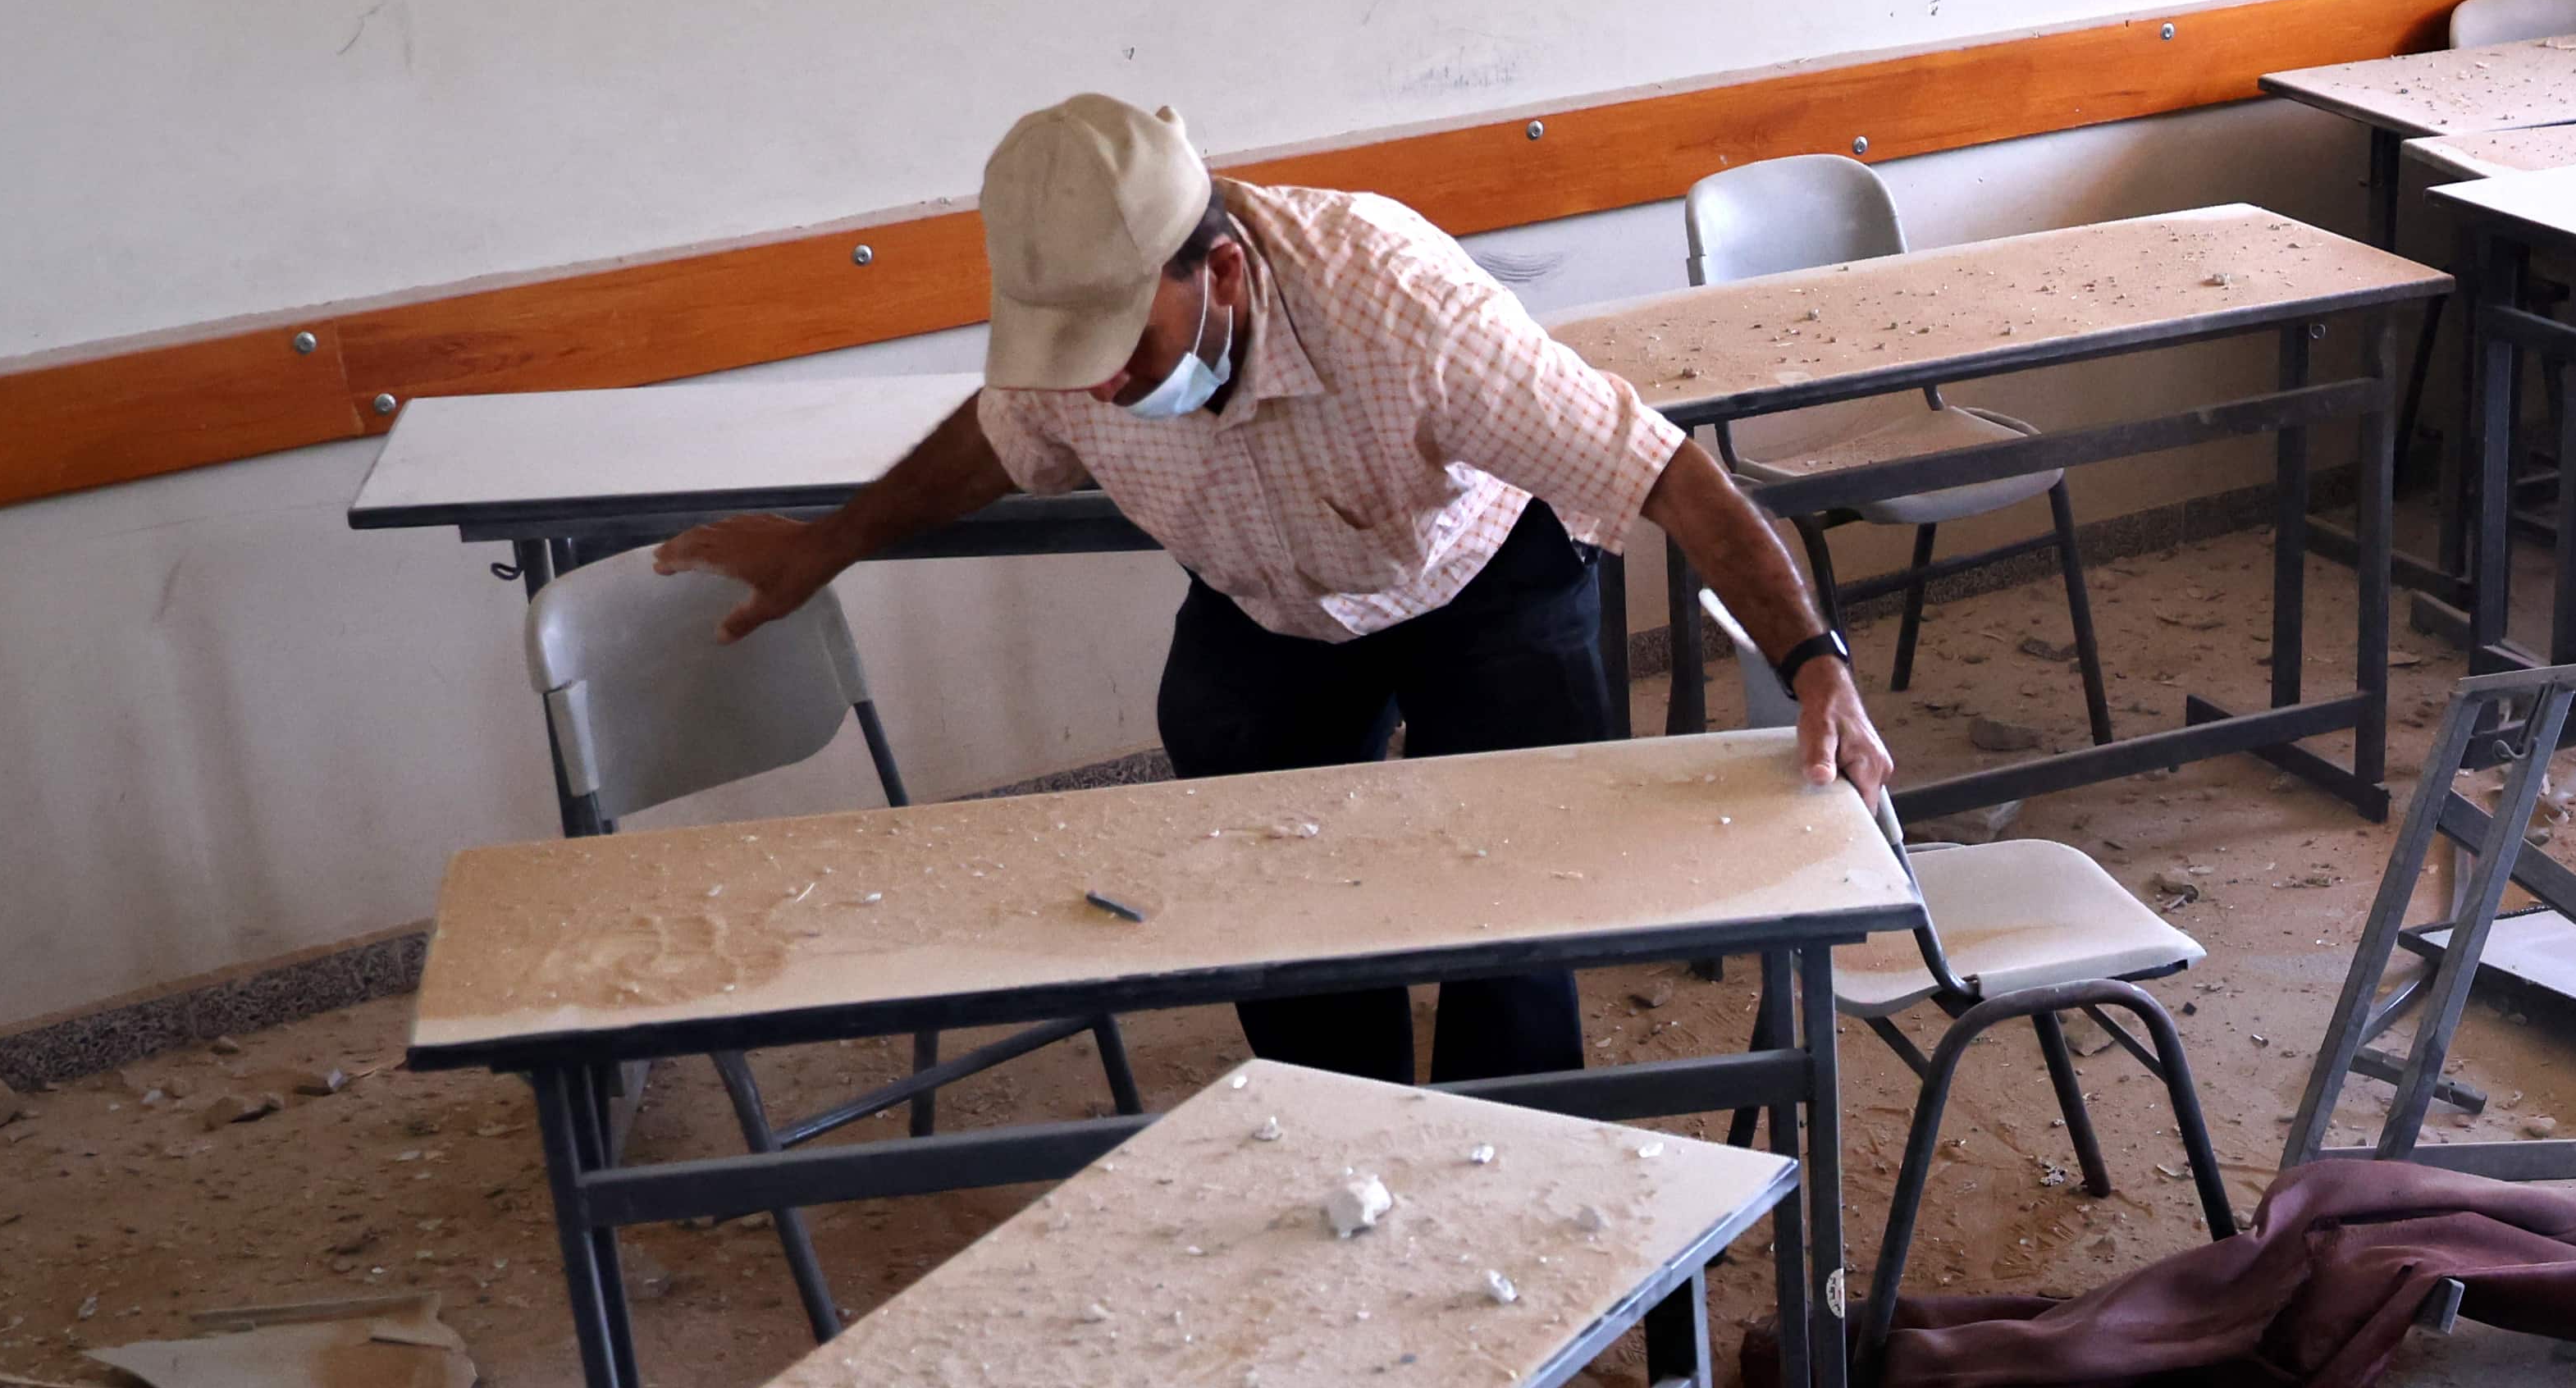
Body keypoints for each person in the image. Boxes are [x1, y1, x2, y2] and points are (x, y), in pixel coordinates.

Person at [658, 94, 1895, 1091]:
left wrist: (1815, 660)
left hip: (1481, 571)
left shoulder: (1404, 309)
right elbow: (995, 444)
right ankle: (1338, 1126)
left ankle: (1513, 1145)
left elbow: (1667, 475)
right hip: (1272, 600)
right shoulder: (1070, 344)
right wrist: (828, 543)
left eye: (1129, 352)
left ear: (1228, 273)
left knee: (1522, 893)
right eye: (1071, 362)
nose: (1097, 391)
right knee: (1267, 885)